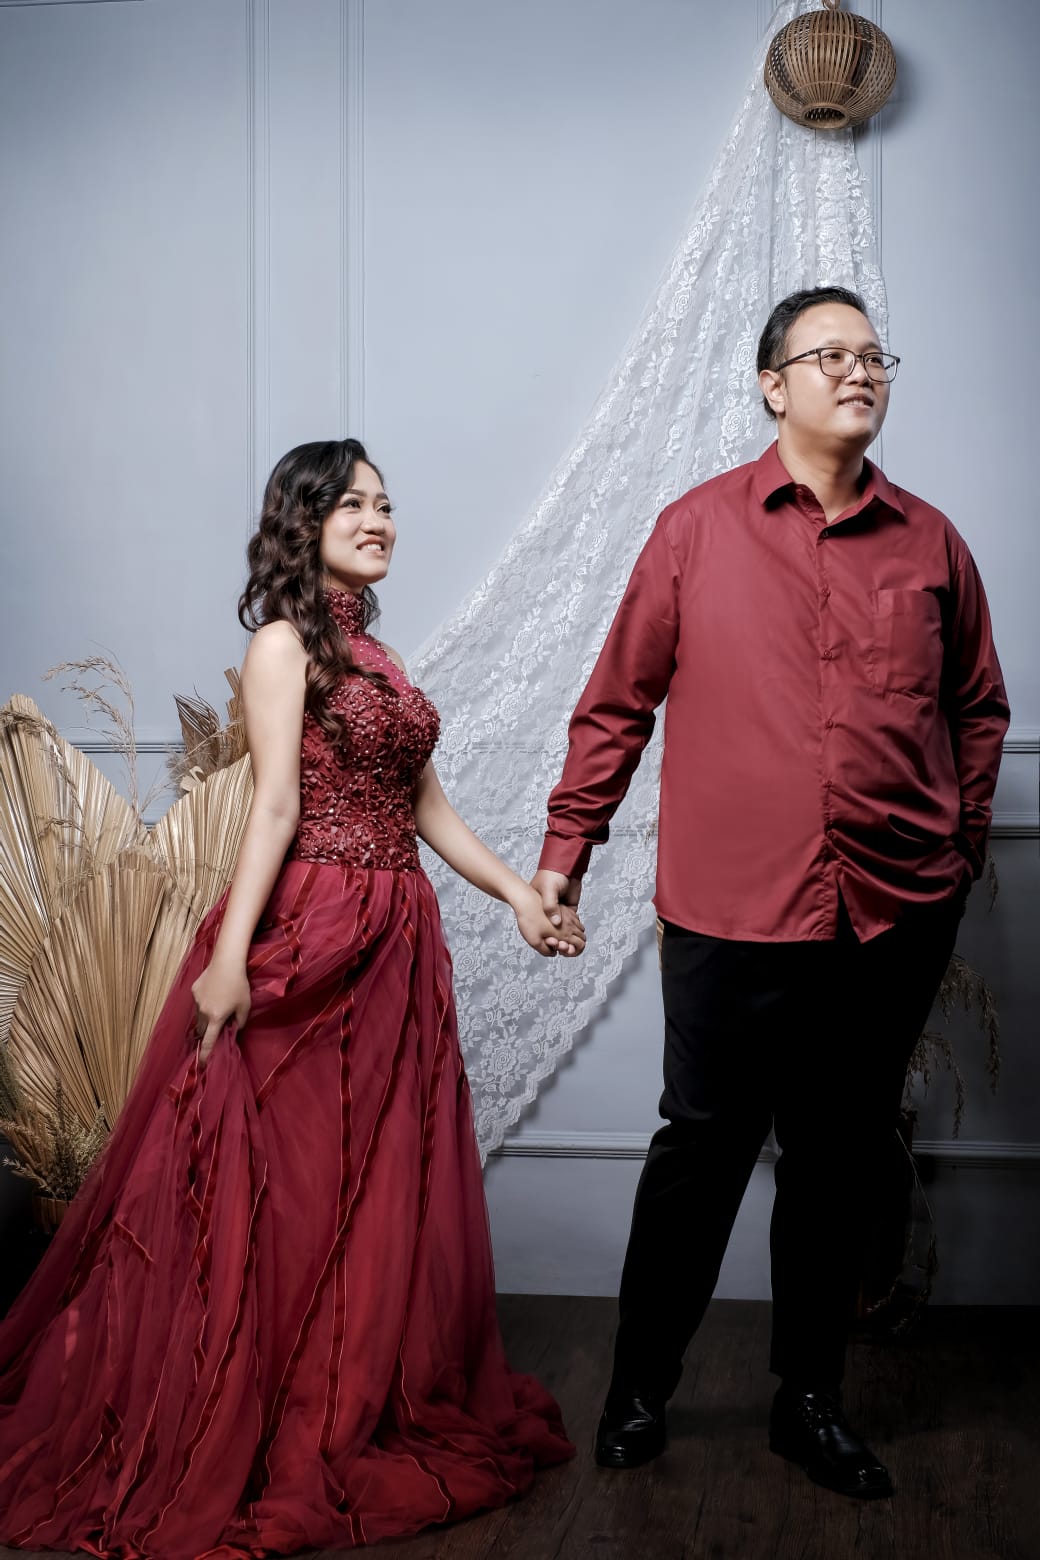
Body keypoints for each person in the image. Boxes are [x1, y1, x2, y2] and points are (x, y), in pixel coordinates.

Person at [0, 439, 581, 1557]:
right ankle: (251, 1409)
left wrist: (517, 893)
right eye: (353, 503)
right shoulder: (281, 645)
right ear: (301, 522)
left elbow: (423, 807)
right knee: (287, 1176)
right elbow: (274, 807)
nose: (379, 520)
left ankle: (346, 1390)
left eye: (387, 504)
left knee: (372, 1181)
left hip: (398, 937)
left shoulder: (383, 658)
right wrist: (229, 960)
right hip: (312, 925)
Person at [532, 286, 1009, 1499]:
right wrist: (564, 849)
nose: (857, 370)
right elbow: (614, 705)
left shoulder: (930, 544)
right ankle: (639, 1387)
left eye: (872, 354)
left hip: (892, 912)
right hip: (730, 910)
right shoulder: (692, 532)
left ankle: (808, 1401)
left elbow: (975, 706)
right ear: (770, 384)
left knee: (835, 1160)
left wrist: (957, 846)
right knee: (699, 1149)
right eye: (827, 353)